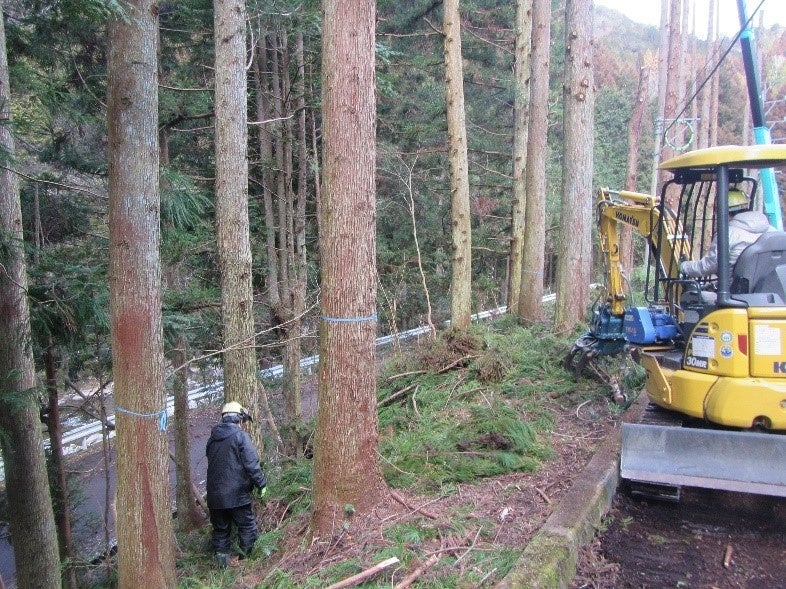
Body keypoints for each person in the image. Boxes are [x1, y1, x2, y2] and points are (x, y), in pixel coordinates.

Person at [206, 401, 267, 568]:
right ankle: (246, 564)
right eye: (242, 421)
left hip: (214, 497)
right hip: (236, 495)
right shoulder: (241, 437)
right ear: (238, 419)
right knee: (247, 527)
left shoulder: (212, 438)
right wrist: (262, 484)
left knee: (221, 531)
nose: (243, 425)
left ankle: (222, 568)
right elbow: (251, 464)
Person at [680, 189, 773, 278]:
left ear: (724, 212)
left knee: (694, 290)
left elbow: (709, 266)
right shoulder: (771, 230)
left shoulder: (727, 234)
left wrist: (684, 266)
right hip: (768, 287)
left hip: (734, 288)